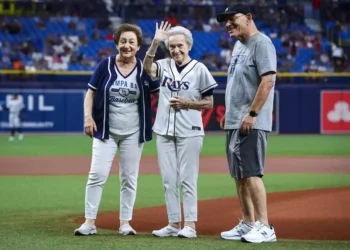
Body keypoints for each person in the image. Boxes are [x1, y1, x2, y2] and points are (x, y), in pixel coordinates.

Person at [74, 23, 160, 236]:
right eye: (123, 41)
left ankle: (125, 223)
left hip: (134, 132)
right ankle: (89, 222)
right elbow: (90, 93)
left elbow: (160, 94)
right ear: (117, 43)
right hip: (106, 131)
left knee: (129, 178)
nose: (127, 45)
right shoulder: (105, 65)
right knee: (97, 174)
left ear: (139, 46)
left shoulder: (144, 68)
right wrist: (88, 117)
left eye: (132, 42)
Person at [143, 21, 218, 238]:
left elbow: (209, 102)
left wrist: (187, 104)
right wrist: (156, 43)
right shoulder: (164, 64)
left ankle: (190, 225)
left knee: (188, 178)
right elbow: (147, 68)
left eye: (179, 46)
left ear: (188, 46)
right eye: (172, 46)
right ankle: (173, 223)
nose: (176, 50)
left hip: (190, 130)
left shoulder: (200, 69)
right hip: (164, 130)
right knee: (168, 180)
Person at [216, 3, 278, 244]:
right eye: (225, 21)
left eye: (232, 18)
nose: (227, 24)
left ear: (248, 17)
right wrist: (229, 113)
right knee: (239, 175)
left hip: (250, 121)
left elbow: (268, 81)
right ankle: (248, 223)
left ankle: (265, 226)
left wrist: (252, 113)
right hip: (235, 119)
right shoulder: (238, 46)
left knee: (251, 173)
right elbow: (238, 83)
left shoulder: (261, 43)